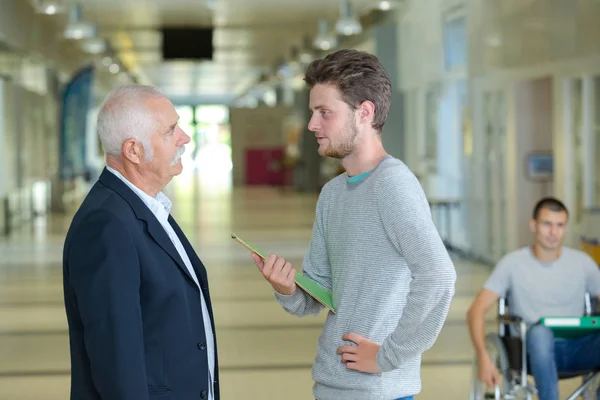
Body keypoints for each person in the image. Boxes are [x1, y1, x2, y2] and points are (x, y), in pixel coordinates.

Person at [250, 49, 457, 400]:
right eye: (312, 112)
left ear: (364, 112)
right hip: (334, 384)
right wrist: (288, 288)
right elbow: (316, 295)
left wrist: (389, 355)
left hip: (378, 391)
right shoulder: (332, 193)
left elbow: (438, 276)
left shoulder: (392, 185)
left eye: (324, 113)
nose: (312, 125)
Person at [62, 84, 219, 400]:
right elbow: (116, 357)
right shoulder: (107, 224)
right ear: (133, 150)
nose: (184, 138)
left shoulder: (146, 206)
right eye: (170, 131)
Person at [466, 197, 600, 400]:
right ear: (533, 225)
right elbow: (475, 310)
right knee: (540, 333)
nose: (554, 232)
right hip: (531, 351)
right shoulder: (512, 264)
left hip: (578, 347)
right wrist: (483, 355)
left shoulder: (582, 263)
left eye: (560, 225)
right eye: (547, 224)